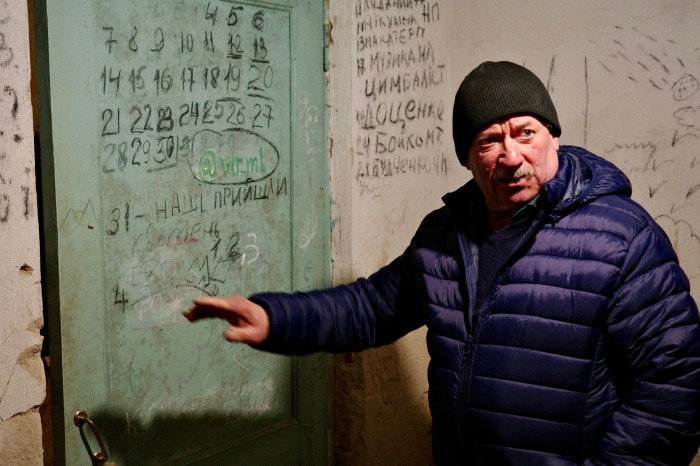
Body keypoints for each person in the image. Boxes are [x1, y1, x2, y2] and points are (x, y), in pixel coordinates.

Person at [184, 61, 700, 465]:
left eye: (525, 133)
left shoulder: (622, 235)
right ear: (468, 157)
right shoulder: (444, 233)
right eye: (489, 141)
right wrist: (275, 318)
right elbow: (372, 307)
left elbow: (674, 388)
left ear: (553, 136)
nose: (511, 155)